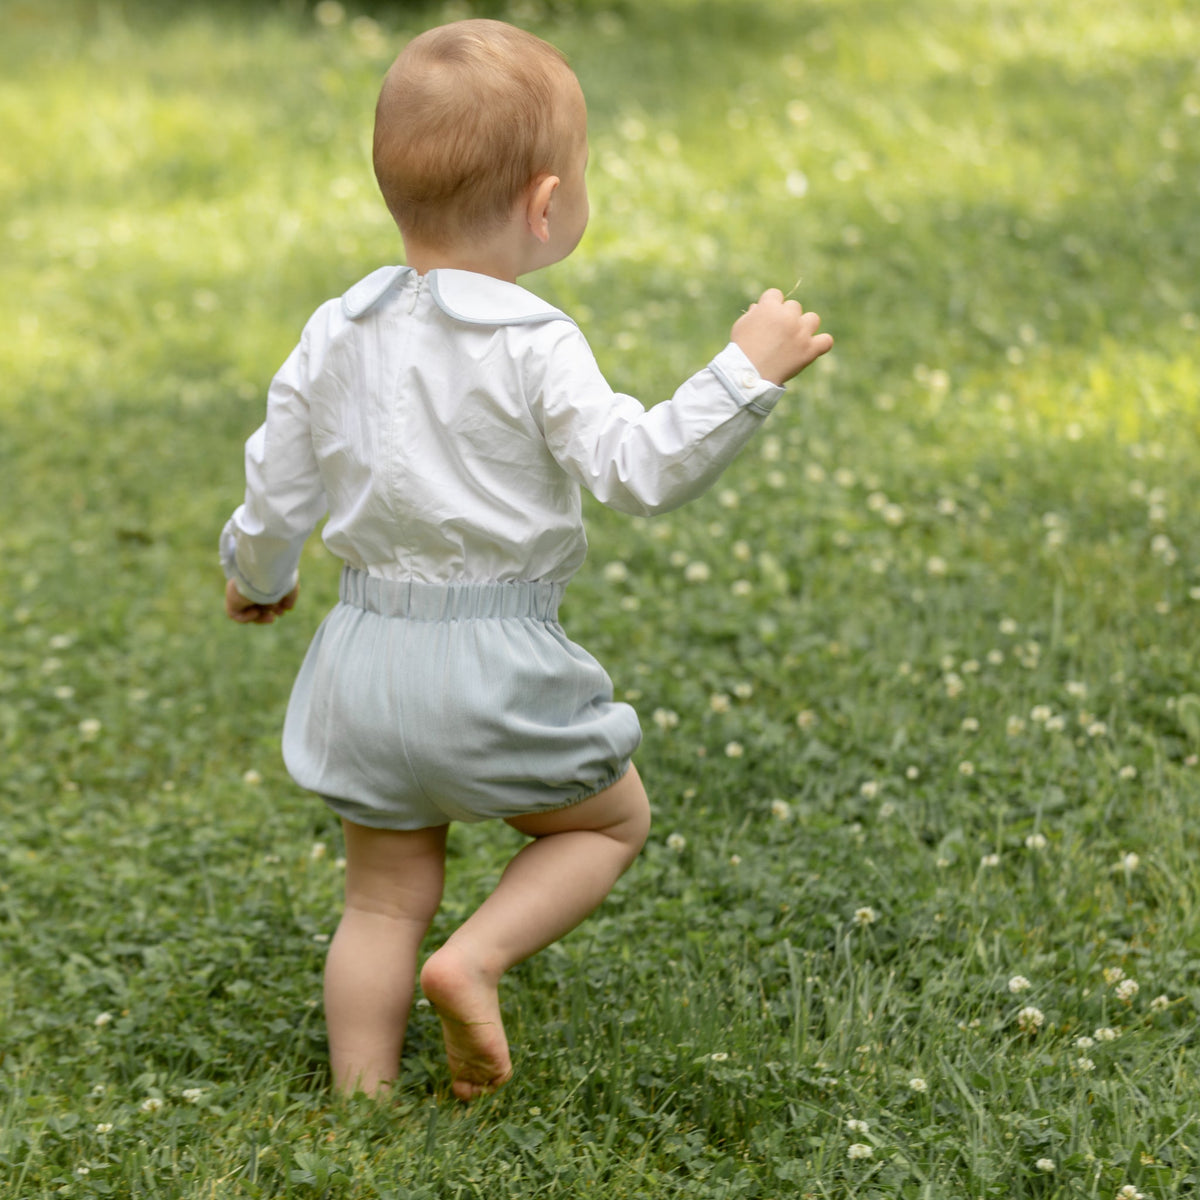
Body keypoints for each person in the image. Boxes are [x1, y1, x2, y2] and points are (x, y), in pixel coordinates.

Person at [220, 18, 833, 1102]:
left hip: (360, 660)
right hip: (496, 662)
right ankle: (476, 958)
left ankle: (361, 1101)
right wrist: (746, 373)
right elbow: (638, 467)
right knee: (609, 819)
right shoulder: (534, 341)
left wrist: (259, 576)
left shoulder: (334, 330)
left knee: (378, 900)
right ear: (548, 205)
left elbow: (278, 483)